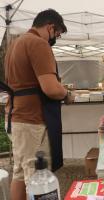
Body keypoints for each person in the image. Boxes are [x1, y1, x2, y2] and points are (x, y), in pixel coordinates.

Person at [2, 9, 74, 200]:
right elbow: (50, 88)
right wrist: (66, 93)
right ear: (50, 27)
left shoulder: (15, 43)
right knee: (38, 178)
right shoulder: (38, 44)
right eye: (57, 33)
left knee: (20, 173)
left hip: (15, 117)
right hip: (32, 120)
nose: (56, 38)